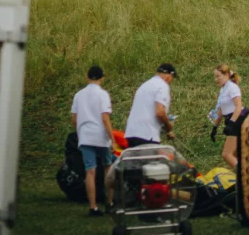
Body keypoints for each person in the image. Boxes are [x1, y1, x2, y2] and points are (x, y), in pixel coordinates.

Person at [70, 66, 115, 217]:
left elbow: (74, 119)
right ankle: (109, 203)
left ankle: (93, 207)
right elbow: (105, 118)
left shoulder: (78, 95)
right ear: (102, 78)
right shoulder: (103, 95)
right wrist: (112, 139)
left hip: (85, 135)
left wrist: (80, 133)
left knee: (90, 171)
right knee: (108, 168)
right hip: (100, 136)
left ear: (87, 77)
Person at [125, 64, 177, 147]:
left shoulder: (145, 85)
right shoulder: (162, 86)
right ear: (169, 76)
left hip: (131, 134)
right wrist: (169, 127)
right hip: (147, 135)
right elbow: (160, 113)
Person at [209, 64, 245, 169]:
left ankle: (243, 175)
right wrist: (215, 127)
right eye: (215, 76)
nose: (216, 79)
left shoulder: (232, 87)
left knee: (227, 154)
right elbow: (221, 110)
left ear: (227, 75)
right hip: (231, 120)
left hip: (237, 120)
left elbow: (238, 106)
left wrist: (232, 123)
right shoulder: (223, 89)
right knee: (235, 154)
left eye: (218, 76)